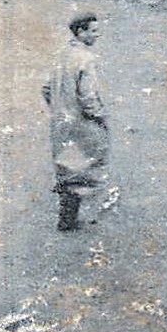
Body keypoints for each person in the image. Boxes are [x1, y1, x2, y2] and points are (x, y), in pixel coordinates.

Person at [45, 12, 110, 231]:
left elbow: (46, 88)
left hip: (60, 122)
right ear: (80, 32)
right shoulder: (86, 59)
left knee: (66, 164)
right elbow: (88, 96)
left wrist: (59, 107)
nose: (97, 35)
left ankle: (66, 217)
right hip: (81, 123)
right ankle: (69, 220)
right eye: (93, 31)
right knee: (85, 166)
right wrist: (99, 116)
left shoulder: (62, 54)